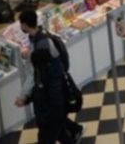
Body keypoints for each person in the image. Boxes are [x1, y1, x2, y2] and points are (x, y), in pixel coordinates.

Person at [15, 10, 83, 143]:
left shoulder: (41, 48)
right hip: (54, 92)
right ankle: (75, 131)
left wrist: (23, 95)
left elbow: (34, 74)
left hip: (50, 95)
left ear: (24, 25)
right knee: (56, 126)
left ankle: (74, 132)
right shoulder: (44, 37)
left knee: (49, 130)